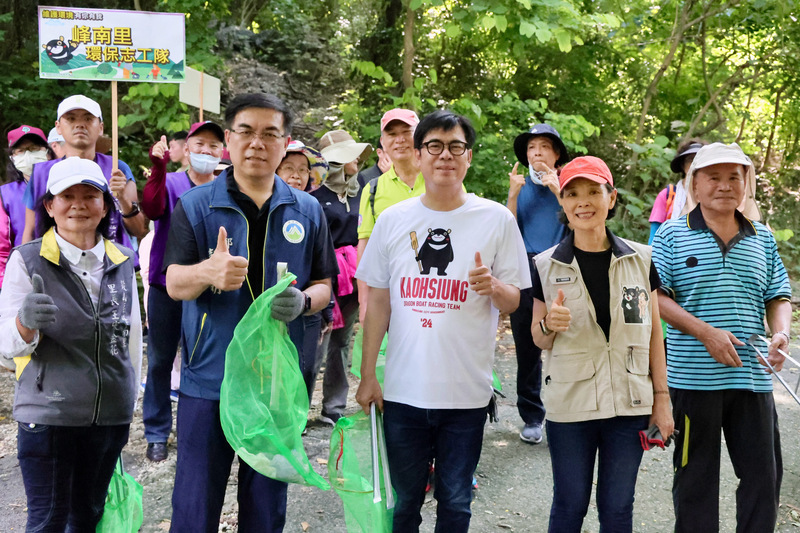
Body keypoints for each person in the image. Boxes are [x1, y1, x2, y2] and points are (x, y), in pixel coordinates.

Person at [163, 93, 337, 533]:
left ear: (285, 142)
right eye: (246, 131)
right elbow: (174, 283)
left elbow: (325, 284)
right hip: (210, 378)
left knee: (265, 508)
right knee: (195, 504)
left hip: (274, 383)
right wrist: (207, 271)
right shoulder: (196, 206)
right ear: (229, 139)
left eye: (269, 134)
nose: (257, 143)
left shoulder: (307, 210)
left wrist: (303, 302)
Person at [355, 110, 529, 531]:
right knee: (404, 503)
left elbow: (514, 301)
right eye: (434, 145)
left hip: (466, 395)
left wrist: (493, 286)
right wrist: (367, 374)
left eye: (456, 146)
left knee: (455, 501)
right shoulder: (394, 220)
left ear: (469, 156)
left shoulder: (497, 219)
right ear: (418, 155)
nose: (445, 155)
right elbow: (377, 301)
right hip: (403, 392)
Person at [651, 142, 791, 532]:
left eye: (734, 177)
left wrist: (781, 333)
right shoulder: (672, 235)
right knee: (695, 480)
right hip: (692, 380)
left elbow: (778, 295)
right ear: (694, 184)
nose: (725, 185)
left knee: (764, 478)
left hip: (752, 377)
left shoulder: (762, 238)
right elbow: (655, 297)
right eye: (714, 177)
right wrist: (706, 333)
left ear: (746, 184)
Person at [530, 155, 672, 532]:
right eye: (572, 193)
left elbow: (653, 332)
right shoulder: (546, 265)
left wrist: (662, 400)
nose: (583, 202)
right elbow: (538, 338)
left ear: (611, 198)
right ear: (562, 202)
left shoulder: (641, 260)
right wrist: (549, 323)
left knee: (618, 507)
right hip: (570, 406)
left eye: (594, 191)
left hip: (630, 404)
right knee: (569, 504)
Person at [0, 157, 142, 532]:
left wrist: (128, 401)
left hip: (109, 417)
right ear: (50, 206)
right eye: (67, 196)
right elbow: (5, 344)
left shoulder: (123, 260)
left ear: (105, 205)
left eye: (89, 196)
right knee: (47, 521)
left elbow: (131, 340)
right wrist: (24, 323)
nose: (78, 205)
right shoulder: (27, 260)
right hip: (48, 415)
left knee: (88, 517)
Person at [140, 120, 226, 462]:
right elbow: (152, 208)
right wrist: (158, 169)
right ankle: (156, 431)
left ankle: (199, 428)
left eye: (213, 146)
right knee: (161, 360)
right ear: (186, 149)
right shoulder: (172, 182)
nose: (206, 151)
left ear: (222, 152)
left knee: (202, 361)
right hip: (166, 285)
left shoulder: (225, 188)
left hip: (207, 289)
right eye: (199, 144)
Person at [507, 123, 570, 444]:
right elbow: (507, 231)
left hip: (562, 266)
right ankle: (532, 415)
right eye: (532, 148)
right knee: (527, 345)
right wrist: (512, 194)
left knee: (567, 341)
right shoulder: (520, 185)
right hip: (526, 267)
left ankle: (566, 415)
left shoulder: (569, 184)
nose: (537, 153)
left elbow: (579, 221)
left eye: (544, 147)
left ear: (556, 154)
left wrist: (559, 189)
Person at [21, 95, 148, 251]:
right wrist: (24, 260)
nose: (80, 125)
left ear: (100, 127)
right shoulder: (41, 173)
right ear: (58, 127)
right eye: (71, 119)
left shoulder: (117, 168)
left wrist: (122, 198)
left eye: (88, 119)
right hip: (53, 260)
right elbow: (30, 230)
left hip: (112, 260)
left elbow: (139, 230)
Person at [312, 129, 372, 425]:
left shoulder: (362, 193)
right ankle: (297, 410)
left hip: (352, 282)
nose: (358, 159)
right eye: (350, 154)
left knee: (341, 344)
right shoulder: (315, 198)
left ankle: (333, 407)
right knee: (315, 347)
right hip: (324, 279)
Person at [275, 139, 330, 399]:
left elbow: (322, 271)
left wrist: (320, 306)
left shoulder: (312, 211)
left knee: (303, 370)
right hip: (266, 310)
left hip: (305, 309)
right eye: (289, 168)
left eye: (303, 170)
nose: (296, 175)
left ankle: (298, 418)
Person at [356, 108, 422, 323]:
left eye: (407, 132)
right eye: (392, 134)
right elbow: (365, 246)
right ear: (383, 143)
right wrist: (364, 301)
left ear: (421, 137)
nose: (400, 140)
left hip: (434, 292)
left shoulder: (440, 181)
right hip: (389, 295)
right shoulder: (373, 189)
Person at [1, 126, 56, 288]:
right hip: (24, 272)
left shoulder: (63, 187)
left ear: (47, 152)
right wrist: (7, 283)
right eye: (21, 151)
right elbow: (2, 247)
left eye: (34, 149)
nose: (28, 155)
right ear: (12, 157)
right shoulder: (5, 194)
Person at [647, 139, 705, 244]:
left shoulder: (715, 195)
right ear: (682, 165)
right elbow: (654, 238)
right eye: (691, 159)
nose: (695, 163)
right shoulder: (667, 195)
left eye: (700, 158)